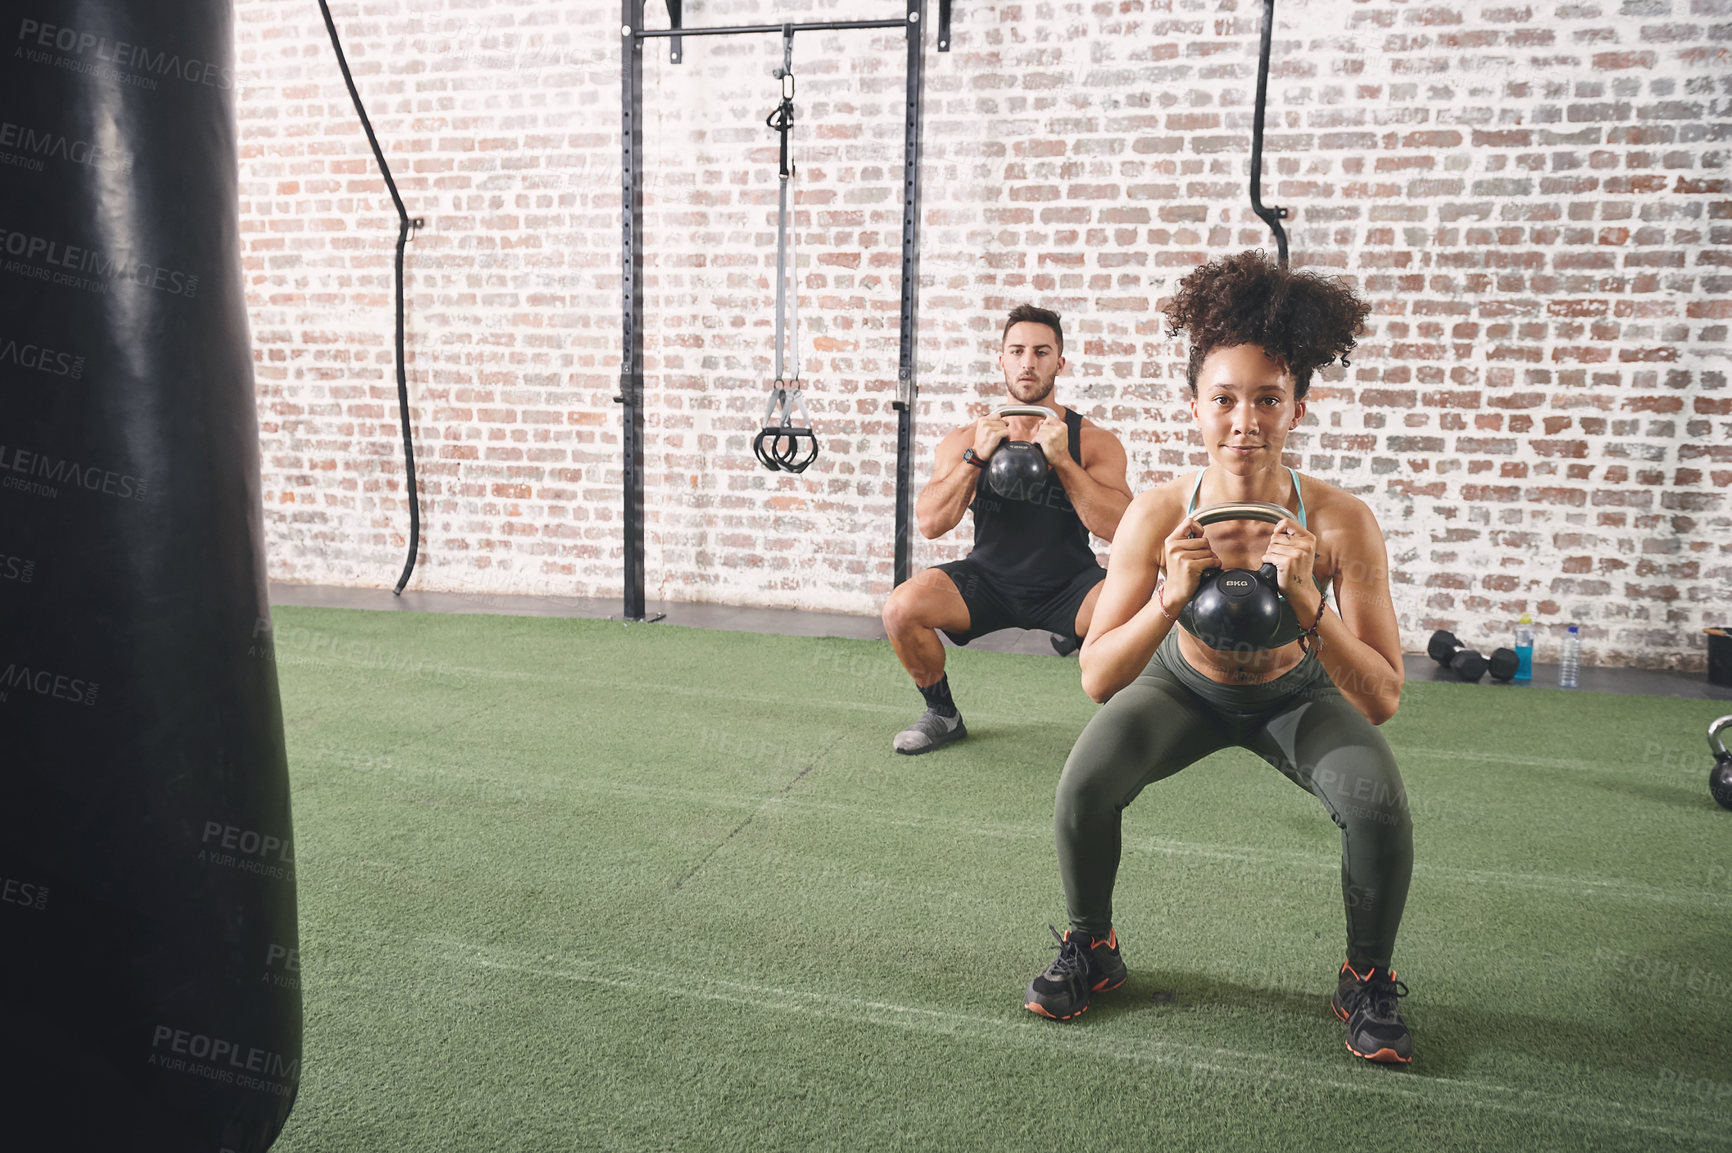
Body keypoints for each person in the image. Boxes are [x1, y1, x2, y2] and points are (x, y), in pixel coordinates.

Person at [1021, 251, 1415, 1065]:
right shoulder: (1160, 513)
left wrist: (1311, 606)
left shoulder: (1341, 522)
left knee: (1378, 807)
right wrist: (1169, 596)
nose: (1245, 421)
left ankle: (1364, 976)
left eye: (1268, 399)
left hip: (1295, 693)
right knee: (1083, 788)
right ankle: (1092, 948)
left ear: (1298, 408)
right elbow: (1097, 676)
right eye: (1224, 399)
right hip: (1184, 684)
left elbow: (1380, 696)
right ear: (1194, 408)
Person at [881, 304, 1133, 755]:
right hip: (988, 582)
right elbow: (930, 523)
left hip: (1069, 584)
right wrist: (976, 458)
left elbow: (1122, 529)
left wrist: (1063, 460)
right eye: (1016, 351)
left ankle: (1125, 726)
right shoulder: (966, 439)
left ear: (1061, 362)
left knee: (1139, 611)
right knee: (901, 609)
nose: (1027, 362)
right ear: (1001, 360)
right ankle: (943, 714)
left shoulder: (1092, 441)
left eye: (1041, 351)